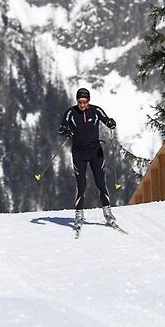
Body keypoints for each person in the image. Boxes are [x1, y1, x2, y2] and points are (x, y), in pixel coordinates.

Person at [58, 88, 117, 231]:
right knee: (81, 185)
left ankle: (108, 213)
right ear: (77, 101)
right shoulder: (71, 113)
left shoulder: (96, 111)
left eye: (84, 102)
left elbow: (107, 120)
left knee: (101, 183)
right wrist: (68, 131)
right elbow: (60, 129)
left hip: (96, 152)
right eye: (79, 102)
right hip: (79, 154)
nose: (82, 105)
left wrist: (111, 123)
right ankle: (79, 215)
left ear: (88, 101)